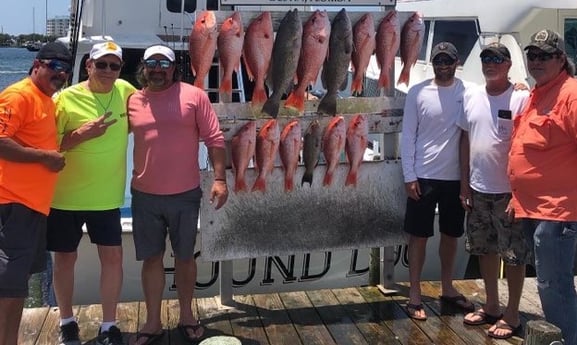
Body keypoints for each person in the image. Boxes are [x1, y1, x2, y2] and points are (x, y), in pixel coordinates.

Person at [127, 45, 228, 345]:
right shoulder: (132, 99)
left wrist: (220, 178)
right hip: (144, 195)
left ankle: (187, 315)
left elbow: (214, 138)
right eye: (151, 64)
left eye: (164, 64)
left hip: (185, 193)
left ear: (174, 68)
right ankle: (153, 321)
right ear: (143, 68)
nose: (157, 69)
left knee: (185, 257)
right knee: (151, 259)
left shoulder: (194, 95)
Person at [47, 41, 136, 345]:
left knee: (113, 258)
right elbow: (48, 147)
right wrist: (80, 135)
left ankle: (108, 326)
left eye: (114, 65)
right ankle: (67, 321)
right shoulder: (64, 100)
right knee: (64, 260)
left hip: (107, 198)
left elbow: (153, 111)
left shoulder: (125, 91)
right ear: (88, 66)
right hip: (65, 197)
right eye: (101, 64)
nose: (108, 71)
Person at [508, 29, 577, 345]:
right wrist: (517, 195)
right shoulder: (539, 92)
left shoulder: (570, 94)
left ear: (561, 59)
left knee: (554, 285)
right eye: (532, 55)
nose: (536, 61)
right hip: (534, 208)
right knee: (549, 283)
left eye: (544, 55)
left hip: (558, 212)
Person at [0, 42, 71, 345]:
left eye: (66, 70)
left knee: (17, 287)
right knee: (8, 288)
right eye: (55, 67)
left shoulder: (47, 99)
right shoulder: (19, 95)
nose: (61, 74)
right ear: (38, 64)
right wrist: (44, 158)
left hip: (32, 208)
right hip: (13, 205)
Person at [458, 43, 530, 339]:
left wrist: (520, 192)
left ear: (508, 64)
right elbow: (464, 141)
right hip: (477, 188)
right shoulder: (472, 95)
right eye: (486, 58)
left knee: (513, 254)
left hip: (508, 192)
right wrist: (464, 184)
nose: (491, 63)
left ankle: (512, 313)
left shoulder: (522, 97)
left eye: (497, 59)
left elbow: (529, 148)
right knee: (484, 249)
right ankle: (491, 305)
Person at [401, 41, 475, 321]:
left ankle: (447, 287)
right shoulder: (417, 93)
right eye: (438, 61)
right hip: (423, 176)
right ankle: (415, 293)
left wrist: (518, 87)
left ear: (457, 62)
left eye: (448, 60)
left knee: (451, 235)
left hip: (456, 179)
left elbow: (500, 93)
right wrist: (409, 176)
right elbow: (408, 136)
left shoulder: (468, 92)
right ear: (432, 63)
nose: (443, 65)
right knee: (418, 236)